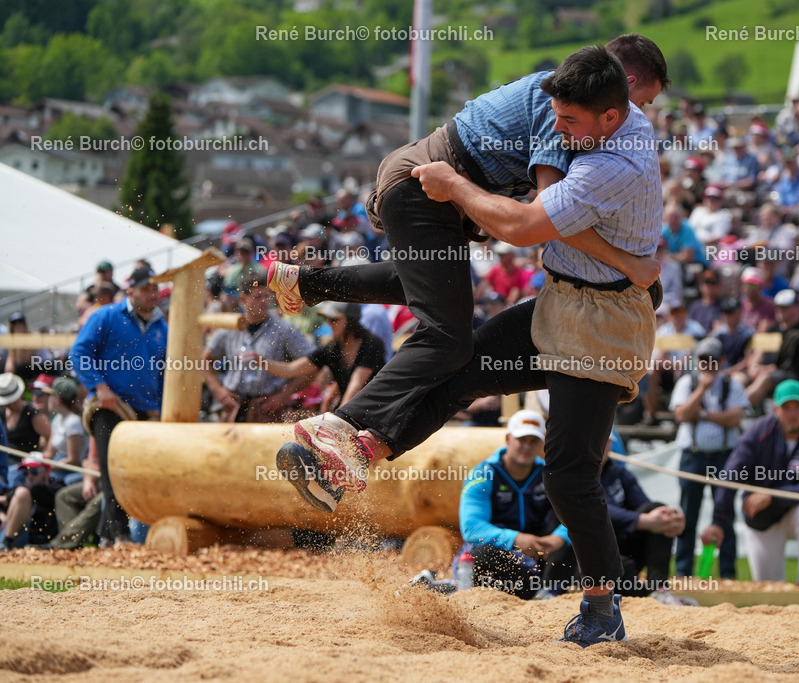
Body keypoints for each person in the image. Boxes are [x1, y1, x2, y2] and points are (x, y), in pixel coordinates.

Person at [280, 44, 664, 647]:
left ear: (612, 111)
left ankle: (601, 606)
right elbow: (541, 221)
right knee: (458, 367)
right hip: (564, 303)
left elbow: (521, 226)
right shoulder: (588, 124)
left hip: (605, 328)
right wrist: (631, 260)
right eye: (558, 117)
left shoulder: (616, 162)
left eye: (570, 120)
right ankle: (358, 448)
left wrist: (454, 183)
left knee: (568, 478)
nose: (557, 125)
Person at [700, 380, 799, 587]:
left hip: (798, 513)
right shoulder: (758, 432)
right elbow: (730, 475)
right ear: (776, 409)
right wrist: (718, 522)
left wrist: (772, 496)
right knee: (770, 589)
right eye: (786, 408)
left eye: (797, 407)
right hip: (762, 520)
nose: (792, 414)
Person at [69, 266, 167, 546]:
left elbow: (164, 371)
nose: (152, 294)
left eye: (155, 288)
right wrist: (100, 387)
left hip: (144, 410)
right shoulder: (106, 315)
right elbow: (79, 352)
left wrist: (157, 407)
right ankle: (121, 537)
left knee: (136, 473)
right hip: (108, 406)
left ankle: (108, 538)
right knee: (114, 471)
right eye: (146, 288)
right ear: (130, 291)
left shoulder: (163, 327)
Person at [544, 435, 685, 596]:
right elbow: (588, 509)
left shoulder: (618, 473)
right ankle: (553, 590)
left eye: (603, 441)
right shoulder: (567, 473)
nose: (598, 447)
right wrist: (641, 521)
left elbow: (646, 508)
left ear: (611, 445)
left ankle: (658, 589)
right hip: (581, 555)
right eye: (593, 441)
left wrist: (670, 520)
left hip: (617, 550)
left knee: (659, 510)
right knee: (622, 568)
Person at [456, 410, 569, 600]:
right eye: (521, 439)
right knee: (482, 554)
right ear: (508, 439)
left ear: (542, 444)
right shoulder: (483, 474)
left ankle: (550, 590)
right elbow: (471, 528)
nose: (527, 446)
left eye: (533, 441)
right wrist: (516, 539)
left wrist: (558, 538)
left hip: (542, 553)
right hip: (502, 554)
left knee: (571, 537)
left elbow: (577, 516)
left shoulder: (551, 476)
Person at [669, 337, 748, 578]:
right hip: (693, 456)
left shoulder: (731, 385)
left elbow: (735, 418)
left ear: (723, 361)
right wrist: (702, 389)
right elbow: (682, 414)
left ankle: (727, 573)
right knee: (687, 515)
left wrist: (701, 414)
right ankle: (684, 572)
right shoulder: (688, 383)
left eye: (713, 360)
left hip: (723, 457)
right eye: (703, 360)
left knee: (724, 515)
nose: (707, 365)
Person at [202, 272, 315, 423]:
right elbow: (205, 359)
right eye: (257, 297)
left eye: (266, 296)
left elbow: (313, 365)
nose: (264, 301)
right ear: (243, 299)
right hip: (233, 410)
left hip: (267, 411)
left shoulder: (283, 329)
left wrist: (284, 396)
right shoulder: (230, 327)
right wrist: (218, 391)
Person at [258, 302, 386, 414]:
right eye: (327, 319)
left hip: (376, 412)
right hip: (351, 410)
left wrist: (337, 420)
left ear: (350, 321)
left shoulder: (372, 344)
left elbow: (356, 385)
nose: (329, 323)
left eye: (334, 319)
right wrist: (260, 361)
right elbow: (291, 369)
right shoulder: (333, 348)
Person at [0, 457, 61, 550]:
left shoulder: (56, 487)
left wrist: (8, 497)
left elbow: (37, 489)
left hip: (35, 542)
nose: (29, 476)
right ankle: (3, 545)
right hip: (12, 537)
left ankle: (5, 544)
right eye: (25, 472)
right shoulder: (17, 488)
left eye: (34, 472)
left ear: (47, 471)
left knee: (22, 493)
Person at [41, 377, 84, 486]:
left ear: (58, 399)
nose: (48, 398)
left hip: (69, 470)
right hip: (57, 464)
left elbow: (73, 460)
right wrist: (34, 460)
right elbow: (49, 453)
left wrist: (47, 467)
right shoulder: (57, 419)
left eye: (51, 395)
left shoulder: (73, 422)